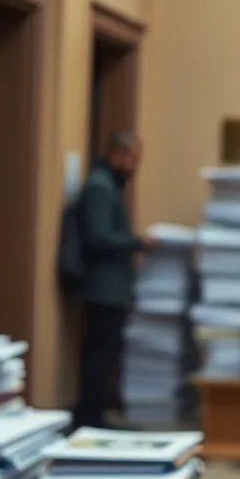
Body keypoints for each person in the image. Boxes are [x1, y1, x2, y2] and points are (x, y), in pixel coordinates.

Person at [72, 131, 153, 430]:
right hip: (103, 287)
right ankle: (90, 416)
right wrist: (136, 242)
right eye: (133, 160)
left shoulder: (106, 185)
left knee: (105, 352)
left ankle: (94, 412)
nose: (135, 168)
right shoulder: (100, 187)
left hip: (111, 287)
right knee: (99, 353)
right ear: (118, 155)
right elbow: (98, 236)